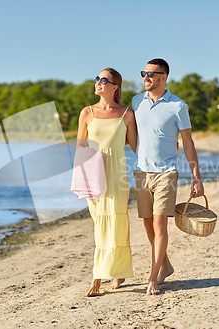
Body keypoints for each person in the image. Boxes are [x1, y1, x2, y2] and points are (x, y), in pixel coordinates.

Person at [132, 58, 205, 295]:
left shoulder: (178, 106)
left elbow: (187, 142)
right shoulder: (136, 102)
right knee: (147, 224)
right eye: (144, 73)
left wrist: (197, 177)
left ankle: (153, 277)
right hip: (141, 172)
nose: (145, 78)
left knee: (159, 223)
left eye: (150, 74)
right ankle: (166, 265)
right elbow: (131, 134)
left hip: (166, 173)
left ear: (163, 77)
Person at [76, 68, 138, 297]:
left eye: (104, 80)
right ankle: (112, 271)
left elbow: (136, 147)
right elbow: (80, 147)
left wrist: (170, 145)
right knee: (100, 224)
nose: (98, 82)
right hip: (93, 175)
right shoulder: (86, 113)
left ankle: (99, 278)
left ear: (115, 87)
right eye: (97, 78)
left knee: (117, 224)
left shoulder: (126, 114)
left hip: (117, 175)